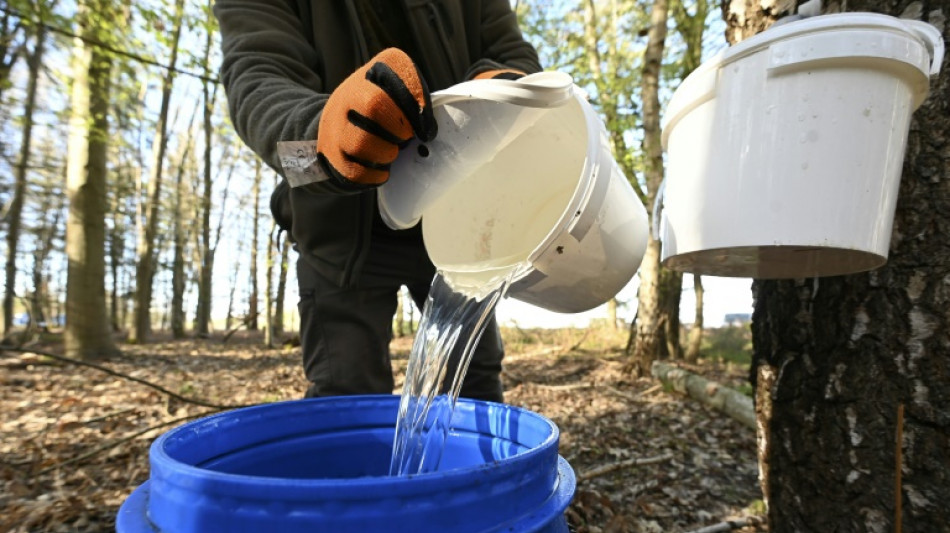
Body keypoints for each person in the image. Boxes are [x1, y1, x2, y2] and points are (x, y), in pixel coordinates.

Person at [214, 0, 542, 402]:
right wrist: (322, 140)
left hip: (457, 219)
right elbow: (255, 82)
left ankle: (480, 467)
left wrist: (503, 87)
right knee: (346, 393)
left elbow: (512, 52)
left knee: (474, 384)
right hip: (338, 232)